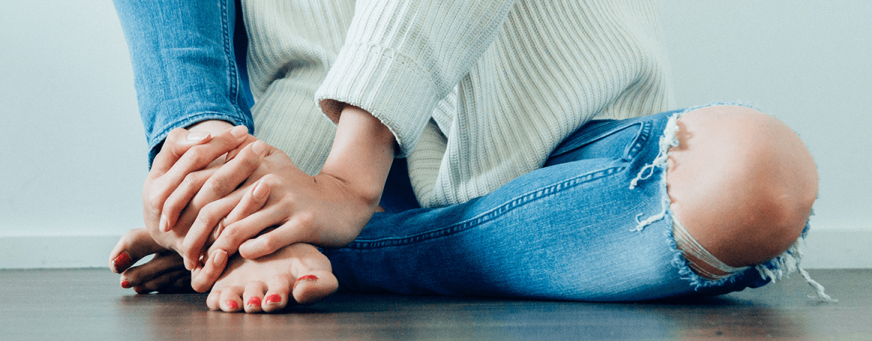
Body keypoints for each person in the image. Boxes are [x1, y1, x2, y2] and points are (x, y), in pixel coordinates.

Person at [107, 0, 831, 313]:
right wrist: (204, 161)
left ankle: (330, 244)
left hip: (554, 147)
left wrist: (347, 180)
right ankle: (229, 205)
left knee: (759, 175)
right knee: (206, 157)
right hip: (289, 145)